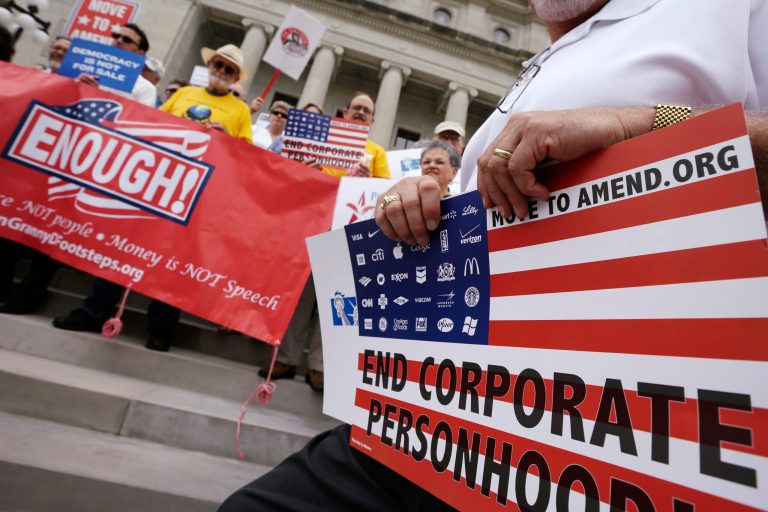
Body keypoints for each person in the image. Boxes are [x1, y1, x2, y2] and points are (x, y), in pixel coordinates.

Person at [219, 1, 767, 510]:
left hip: (611, 437)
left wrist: (636, 124)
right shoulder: (549, 57)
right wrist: (414, 203)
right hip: (439, 410)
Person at [161, 44, 252, 143]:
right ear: (209, 64)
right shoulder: (184, 91)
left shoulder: (242, 110)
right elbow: (156, 119)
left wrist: (225, 138)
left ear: (236, 78)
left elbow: (245, 152)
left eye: (229, 70)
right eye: (218, 64)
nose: (222, 70)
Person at [310, 92, 391, 179]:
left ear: (372, 121)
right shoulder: (321, 140)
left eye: (366, 111)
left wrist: (367, 181)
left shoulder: (378, 151)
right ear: (345, 113)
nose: (361, 112)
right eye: (357, 108)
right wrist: (305, 170)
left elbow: (383, 188)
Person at [76, 24, 156, 107]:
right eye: (116, 36)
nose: (119, 41)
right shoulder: (86, 68)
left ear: (140, 52)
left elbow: (137, 118)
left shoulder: (146, 88)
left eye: (127, 40)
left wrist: (97, 95)